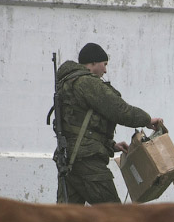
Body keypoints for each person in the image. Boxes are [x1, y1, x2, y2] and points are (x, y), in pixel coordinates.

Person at [53, 42, 162, 204]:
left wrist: (110, 145)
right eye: (104, 64)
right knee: (114, 214)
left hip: (69, 161)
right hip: (88, 162)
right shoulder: (87, 82)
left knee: (67, 217)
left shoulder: (67, 83)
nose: (105, 70)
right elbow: (119, 110)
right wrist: (147, 120)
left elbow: (79, 126)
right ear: (93, 63)